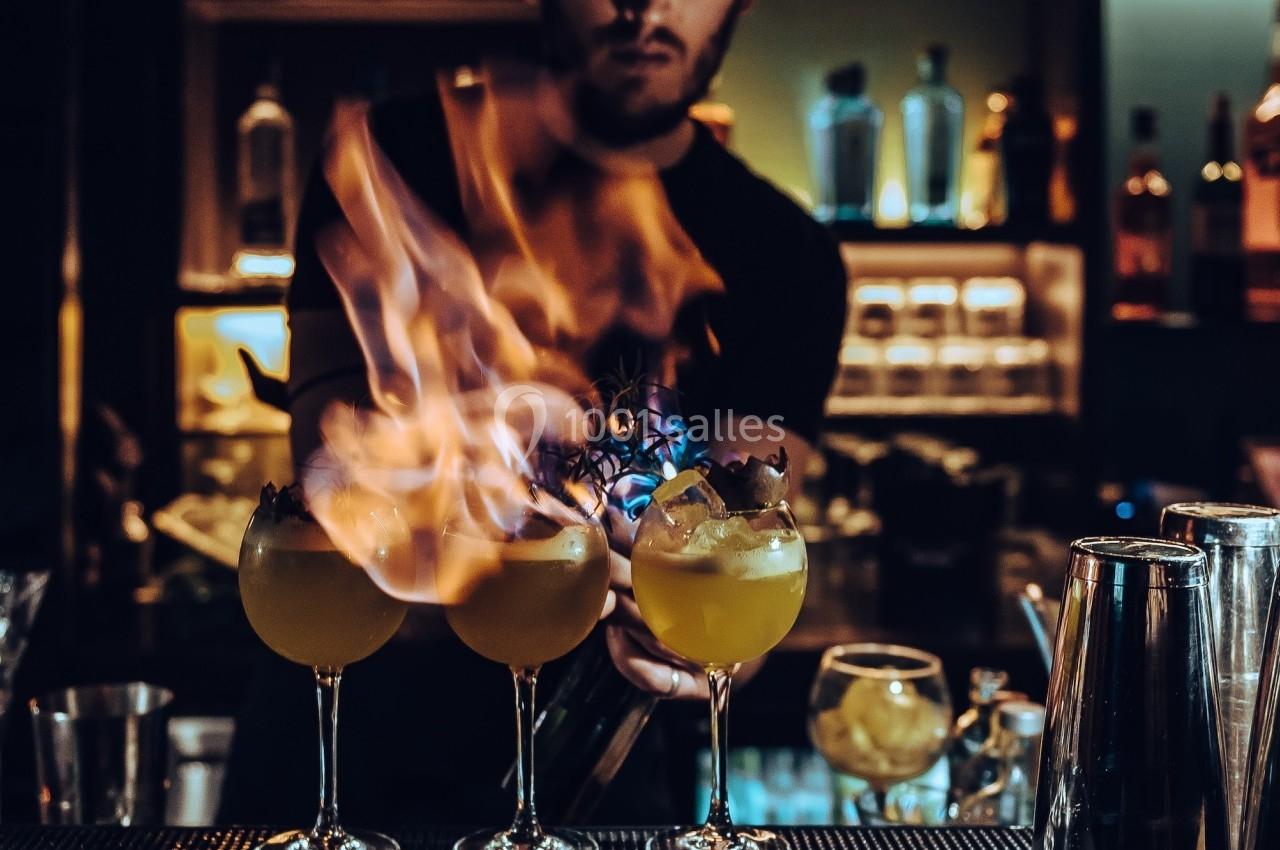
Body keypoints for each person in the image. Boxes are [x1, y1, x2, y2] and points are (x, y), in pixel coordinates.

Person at [221, 0, 846, 827]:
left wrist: (700, 636)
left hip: (594, 775)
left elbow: (747, 538)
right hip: (344, 750)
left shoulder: (786, 253)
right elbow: (336, 500)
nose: (645, 6)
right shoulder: (386, 161)